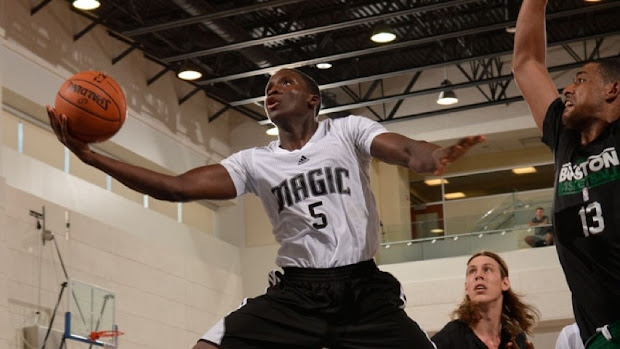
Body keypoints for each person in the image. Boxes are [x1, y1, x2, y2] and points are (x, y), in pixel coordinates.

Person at [46, 68, 484, 349]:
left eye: (285, 83)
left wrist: (433, 156)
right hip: (297, 293)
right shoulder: (254, 162)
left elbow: (407, 151)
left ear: (314, 100)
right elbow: (176, 187)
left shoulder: (347, 131)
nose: (273, 89)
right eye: (268, 87)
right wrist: (89, 157)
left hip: (363, 292)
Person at [512, 0, 620, 346]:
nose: (567, 89)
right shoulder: (565, 141)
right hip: (598, 333)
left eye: (581, 79)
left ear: (612, 90)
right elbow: (527, 63)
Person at [431, 251, 538, 349]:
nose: (478, 275)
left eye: (487, 269)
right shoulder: (450, 337)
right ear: (466, 288)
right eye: (472, 271)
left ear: (505, 283)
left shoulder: (516, 337)